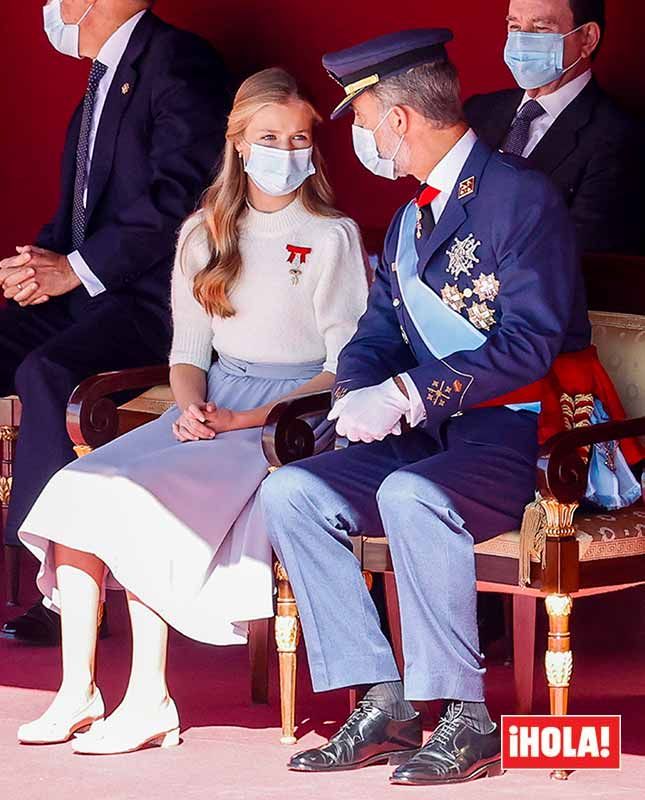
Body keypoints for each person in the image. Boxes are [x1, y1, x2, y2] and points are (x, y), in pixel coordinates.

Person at [260, 29, 592, 786]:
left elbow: (530, 344)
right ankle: (384, 703)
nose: (368, 139)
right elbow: (376, 334)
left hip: (519, 436)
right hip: (430, 432)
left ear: (400, 118)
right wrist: (355, 399)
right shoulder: (413, 219)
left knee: (409, 493)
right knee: (292, 491)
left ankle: (468, 722)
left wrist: (409, 392)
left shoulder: (520, 198)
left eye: (367, 121)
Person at [16, 67, 369, 756]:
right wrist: (189, 409)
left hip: (292, 420)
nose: (286, 150)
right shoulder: (202, 234)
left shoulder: (332, 236)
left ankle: (148, 697)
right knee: (78, 484)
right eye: (269, 136)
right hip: (215, 406)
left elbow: (343, 370)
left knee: (145, 497)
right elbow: (187, 352)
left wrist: (246, 421)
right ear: (238, 143)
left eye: (299, 138)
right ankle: (77, 690)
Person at [0, 0, 229, 644]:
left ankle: (63, 588)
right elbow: (78, 209)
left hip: (151, 302)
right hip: (87, 289)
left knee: (45, 373)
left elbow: (179, 199)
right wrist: (33, 268)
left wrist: (72, 269)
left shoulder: (179, 63)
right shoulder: (102, 73)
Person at [465, 0, 643, 254]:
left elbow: (580, 255)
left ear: (587, 38)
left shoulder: (618, 139)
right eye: (514, 27)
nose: (522, 42)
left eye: (540, 29)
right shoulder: (477, 112)